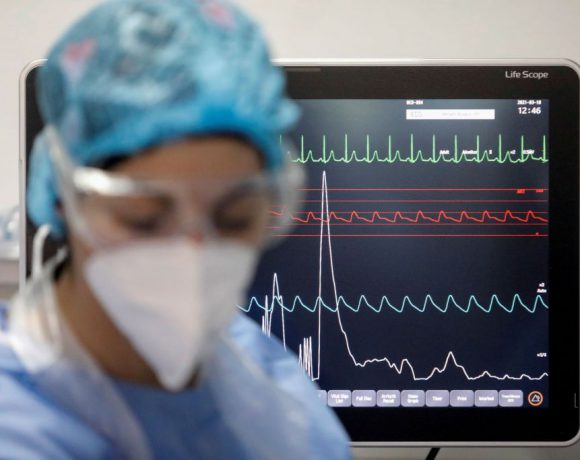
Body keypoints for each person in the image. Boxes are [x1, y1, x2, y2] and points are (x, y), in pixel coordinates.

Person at [0, 0, 352, 458]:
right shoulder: (18, 429)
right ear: (64, 200)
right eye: (143, 219)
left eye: (234, 219)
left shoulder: (268, 385)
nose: (193, 255)